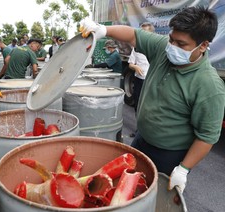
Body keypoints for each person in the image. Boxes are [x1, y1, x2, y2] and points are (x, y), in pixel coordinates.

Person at [80, 7, 225, 194]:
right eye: (171, 39)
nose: (172, 47)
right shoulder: (163, 47)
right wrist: (103, 30)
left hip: (169, 155)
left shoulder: (208, 85)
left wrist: (183, 169)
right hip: (141, 140)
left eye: (181, 44)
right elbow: (133, 35)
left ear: (203, 45)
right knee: (124, 189)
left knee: (153, 198)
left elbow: (207, 136)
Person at [128, 22, 155, 112]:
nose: (142, 36)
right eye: (141, 33)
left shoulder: (156, 47)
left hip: (152, 81)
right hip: (139, 80)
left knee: (150, 106)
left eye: (145, 33)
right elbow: (130, 64)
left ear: (151, 34)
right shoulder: (136, 48)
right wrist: (135, 67)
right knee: (138, 103)